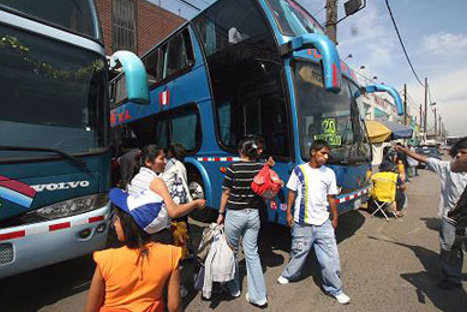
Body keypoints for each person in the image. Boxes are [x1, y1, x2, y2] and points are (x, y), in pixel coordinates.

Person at [83, 181, 184, 312]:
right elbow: (174, 306)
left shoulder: (106, 260)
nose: (114, 224)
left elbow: (90, 309)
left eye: (117, 219)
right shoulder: (171, 254)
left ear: (129, 226)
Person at [277, 140, 351, 305]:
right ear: (313, 152)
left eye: (327, 154)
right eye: (322, 153)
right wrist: (288, 212)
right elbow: (292, 192)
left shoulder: (329, 173)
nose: (326, 157)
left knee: (330, 259)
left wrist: (335, 216)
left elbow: (331, 197)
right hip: (302, 223)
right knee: (298, 252)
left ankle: (335, 289)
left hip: (323, 223)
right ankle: (289, 275)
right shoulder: (300, 170)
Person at [395, 137, 467, 289]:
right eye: (457, 153)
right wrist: (406, 151)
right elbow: (424, 159)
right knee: (449, 247)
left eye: (463, 152)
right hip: (450, 217)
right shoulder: (447, 168)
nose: (459, 156)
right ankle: (451, 278)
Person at [216, 138, 268, 307]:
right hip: (253, 215)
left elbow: (225, 193)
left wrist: (220, 213)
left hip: (235, 215)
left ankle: (234, 288)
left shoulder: (233, 167)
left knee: (232, 251)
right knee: (252, 253)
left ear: (241, 151)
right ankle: (259, 296)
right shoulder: (261, 167)